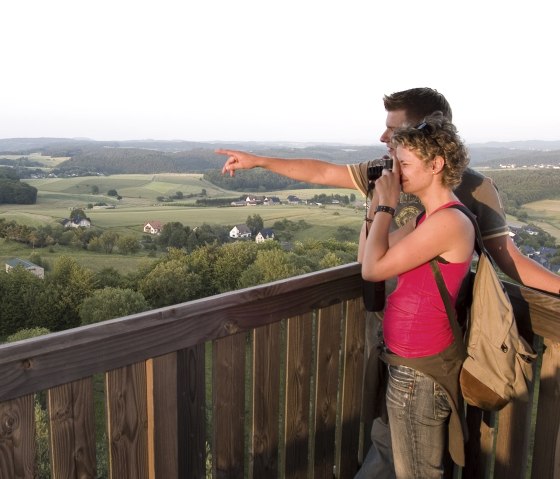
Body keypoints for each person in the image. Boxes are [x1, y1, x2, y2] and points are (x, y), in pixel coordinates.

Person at [216, 87, 560, 477]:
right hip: (391, 337)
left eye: (393, 131)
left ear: (430, 144)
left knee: (416, 451)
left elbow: (509, 261)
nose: (384, 140)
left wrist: (384, 204)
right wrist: (259, 161)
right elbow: (326, 178)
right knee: (390, 441)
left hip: (427, 349)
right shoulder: (390, 174)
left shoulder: (468, 193)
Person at [360, 112, 474, 478]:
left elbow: (373, 271)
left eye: (404, 164)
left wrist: (387, 205)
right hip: (408, 367)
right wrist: (373, 204)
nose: (398, 172)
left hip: (420, 376)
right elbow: (368, 256)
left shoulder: (449, 222)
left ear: (436, 164)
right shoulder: (427, 219)